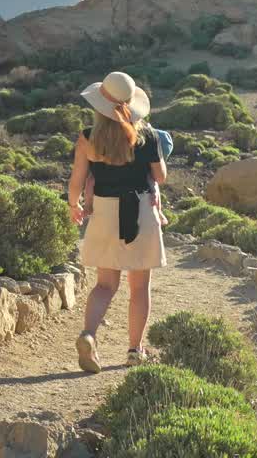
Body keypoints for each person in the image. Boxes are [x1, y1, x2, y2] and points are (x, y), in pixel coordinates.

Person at [67, 71, 167, 373]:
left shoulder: (88, 137)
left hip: (105, 212)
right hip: (140, 210)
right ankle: (135, 350)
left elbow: (77, 180)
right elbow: (160, 176)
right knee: (139, 288)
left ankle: (89, 335)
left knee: (105, 285)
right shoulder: (147, 136)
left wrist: (74, 204)